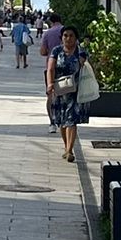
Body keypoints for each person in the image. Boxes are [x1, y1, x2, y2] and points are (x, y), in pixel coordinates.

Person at [46, 25, 90, 163]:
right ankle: (66, 147)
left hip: (76, 90)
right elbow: (51, 68)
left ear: (76, 38)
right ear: (62, 37)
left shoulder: (81, 52)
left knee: (72, 120)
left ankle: (70, 150)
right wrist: (50, 84)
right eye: (65, 35)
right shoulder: (56, 51)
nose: (68, 38)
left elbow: (85, 69)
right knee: (62, 121)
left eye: (71, 36)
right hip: (60, 90)